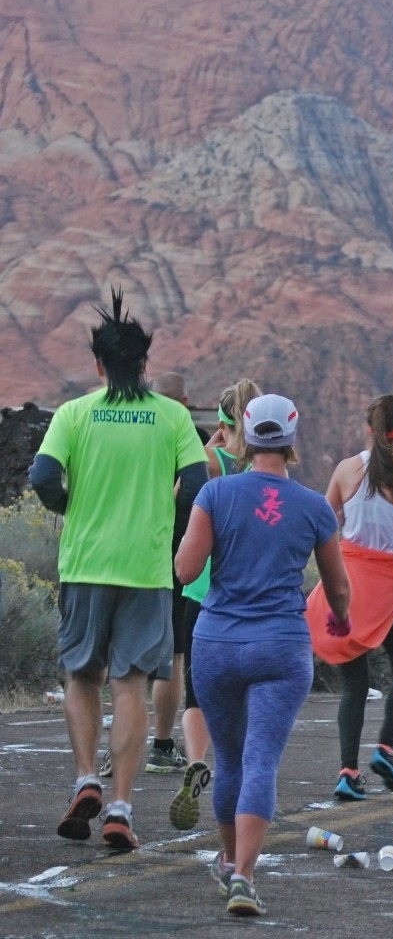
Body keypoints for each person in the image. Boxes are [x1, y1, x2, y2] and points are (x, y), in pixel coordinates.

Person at [29, 292, 207, 850]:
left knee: (83, 674)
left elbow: (41, 475)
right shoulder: (174, 416)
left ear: (99, 365)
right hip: (147, 570)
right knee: (130, 682)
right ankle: (122, 809)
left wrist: (66, 507)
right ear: (145, 365)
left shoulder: (74, 414)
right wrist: (165, 522)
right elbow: (199, 488)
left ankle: (86, 780)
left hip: (86, 563)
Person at [173, 394, 351, 917]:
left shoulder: (217, 492)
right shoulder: (314, 506)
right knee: (262, 760)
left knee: (228, 759)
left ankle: (229, 862)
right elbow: (337, 587)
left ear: (243, 436)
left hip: (218, 645)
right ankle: (244, 878)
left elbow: (186, 570)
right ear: (292, 439)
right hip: (281, 647)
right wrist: (340, 620)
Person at [310, 394, 393, 801]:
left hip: (349, 580)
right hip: (390, 586)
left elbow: (324, 521)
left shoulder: (347, 469)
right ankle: (384, 749)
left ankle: (348, 772)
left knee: (354, 683)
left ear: (369, 428)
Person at [167, 378, 262, 831]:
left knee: (194, 688)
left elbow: (175, 502)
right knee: (241, 690)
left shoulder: (209, 460)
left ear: (222, 423)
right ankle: (236, 775)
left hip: (202, 588)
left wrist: (211, 442)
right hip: (246, 592)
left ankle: (195, 759)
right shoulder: (264, 469)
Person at [143, 372, 211, 781]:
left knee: (147, 657)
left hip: (144, 554)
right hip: (189, 556)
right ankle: (169, 745)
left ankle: (153, 744)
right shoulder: (196, 441)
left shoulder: (141, 439)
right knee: (180, 654)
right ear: (185, 401)